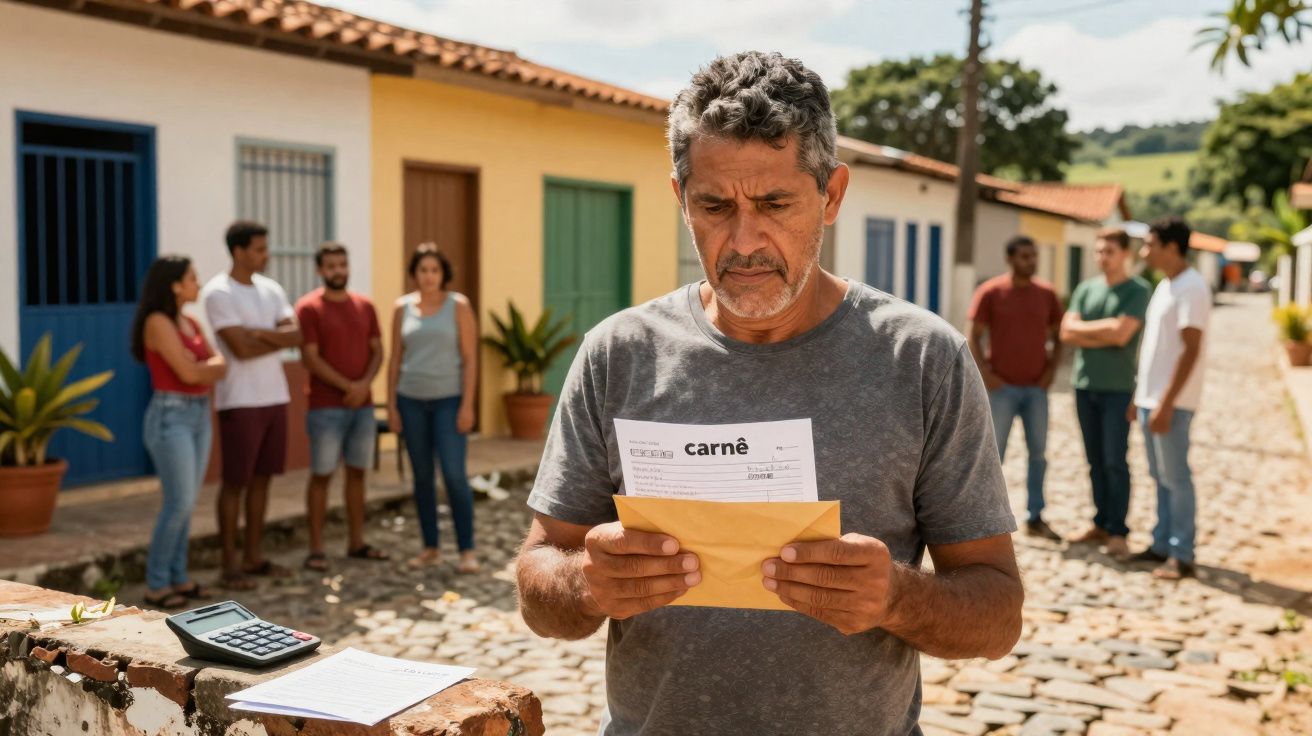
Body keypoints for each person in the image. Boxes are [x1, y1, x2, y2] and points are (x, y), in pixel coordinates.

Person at [514, 51, 1022, 736]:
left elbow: (997, 613)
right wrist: (583, 583)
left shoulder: (921, 359)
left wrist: (896, 597)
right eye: (714, 206)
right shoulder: (619, 355)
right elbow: (539, 578)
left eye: (776, 204)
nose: (744, 239)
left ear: (832, 196)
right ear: (680, 197)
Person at [201, 221, 303, 590]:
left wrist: (257, 332)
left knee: (263, 481)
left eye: (266, 247)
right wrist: (273, 338)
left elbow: (298, 335)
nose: (266, 255)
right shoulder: (218, 293)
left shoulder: (271, 289)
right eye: (259, 249)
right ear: (239, 251)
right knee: (235, 483)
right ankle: (229, 565)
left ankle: (254, 557)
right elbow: (240, 352)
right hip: (240, 400)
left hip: (275, 396)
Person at [130, 255, 227, 608]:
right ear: (174, 285)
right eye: (192, 278)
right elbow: (189, 375)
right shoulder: (157, 322)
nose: (197, 284)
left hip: (199, 413)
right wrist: (204, 368)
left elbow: (220, 365)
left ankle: (179, 577)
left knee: (187, 502)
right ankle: (156, 583)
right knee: (179, 501)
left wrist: (202, 368)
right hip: (171, 416)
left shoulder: (190, 322)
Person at [386, 244, 480, 574]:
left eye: (434, 270)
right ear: (414, 274)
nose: (429, 276)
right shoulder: (402, 308)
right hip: (410, 401)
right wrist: (392, 406)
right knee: (422, 476)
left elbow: (470, 360)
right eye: (423, 270)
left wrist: (468, 405)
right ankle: (431, 547)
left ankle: (467, 550)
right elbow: (395, 359)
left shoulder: (459, 306)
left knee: (454, 476)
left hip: (449, 401)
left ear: (443, 274)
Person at [295, 243, 389, 571]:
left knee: (357, 474)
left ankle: (357, 542)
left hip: (362, 407)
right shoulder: (308, 308)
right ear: (320, 270)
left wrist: (363, 385)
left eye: (343, 264)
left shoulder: (365, 306)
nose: (339, 270)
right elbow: (310, 356)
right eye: (332, 266)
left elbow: (378, 350)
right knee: (321, 475)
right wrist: (347, 386)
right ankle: (316, 548)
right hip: (325, 408)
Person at [1059, 229, 1151, 558]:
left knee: (1115, 460)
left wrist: (1096, 332)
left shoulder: (1138, 290)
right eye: (1098, 251)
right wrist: (1106, 330)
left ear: (1125, 253)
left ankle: (1118, 530)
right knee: (1093, 460)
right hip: (1085, 386)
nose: (1102, 257)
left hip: (1118, 388)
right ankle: (1099, 521)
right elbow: (1066, 332)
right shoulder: (1086, 289)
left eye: (1109, 251)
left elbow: (1121, 335)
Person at [1128, 217, 1210, 580]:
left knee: (1176, 478)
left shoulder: (1192, 287)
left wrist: (1166, 403)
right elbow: (1156, 350)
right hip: (1150, 399)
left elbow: (1190, 350)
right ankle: (1161, 544)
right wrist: (1139, 395)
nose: (1145, 251)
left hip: (1171, 404)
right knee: (1159, 476)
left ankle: (1182, 553)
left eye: (1150, 244)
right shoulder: (1165, 286)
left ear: (1171, 247)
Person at [967, 236, 1064, 541]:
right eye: (1024, 256)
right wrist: (986, 373)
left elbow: (1059, 334)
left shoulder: (1047, 294)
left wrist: (1051, 370)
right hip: (1002, 390)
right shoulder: (991, 292)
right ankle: (988, 518)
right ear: (1010, 259)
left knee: (1038, 454)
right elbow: (974, 336)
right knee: (995, 455)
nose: (1031, 261)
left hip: (1036, 389)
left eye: (1033, 256)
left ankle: (1036, 516)